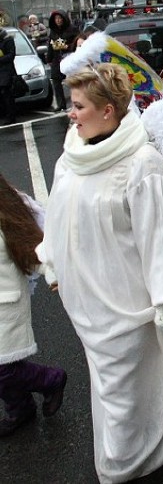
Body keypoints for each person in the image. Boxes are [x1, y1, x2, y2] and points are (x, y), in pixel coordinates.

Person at [37, 64, 163, 482]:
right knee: (134, 360)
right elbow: (59, 213)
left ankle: (121, 462)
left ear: (109, 111)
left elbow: (161, 236)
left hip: (127, 295)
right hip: (84, 293)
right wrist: (53, 261)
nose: (70, 114)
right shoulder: (72, 152)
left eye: (78, 106)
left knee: (120, 381)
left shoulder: (142, 165)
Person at [0, 173, 67, 437]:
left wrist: (54, 273)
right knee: (5, 367)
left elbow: (34, 247)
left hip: (5, 303)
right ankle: (20, 409)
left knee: (4, 370)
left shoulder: (6, 207)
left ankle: (51, 379)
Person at [46, 10, 79, 111]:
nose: (58, 20)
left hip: (69, 57)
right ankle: (61, 104)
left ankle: (77, 101)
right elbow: (50, 45)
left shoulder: (72, 29)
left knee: (74, 81)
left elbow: (78, 42)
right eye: (56, 19)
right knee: (56, 80)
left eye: (60, 18)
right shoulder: (53, 31)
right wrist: (49, 58)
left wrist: (67, 46)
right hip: (57, 58)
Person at [0, 27, 16, 126]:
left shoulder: (8, 40)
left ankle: (11, 116)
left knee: (6, 94)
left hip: (6, 71)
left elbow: (11, 55)